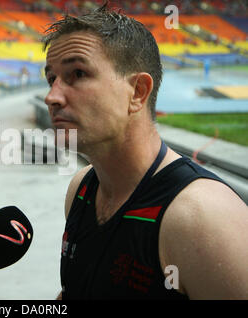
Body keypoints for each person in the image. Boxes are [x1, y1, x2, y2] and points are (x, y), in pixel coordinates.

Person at [42, 3, 248, 299]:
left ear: (138, 92)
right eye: (52, 79)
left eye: (77, 73)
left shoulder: (201, 218)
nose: (52, 97)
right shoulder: (81, 190)